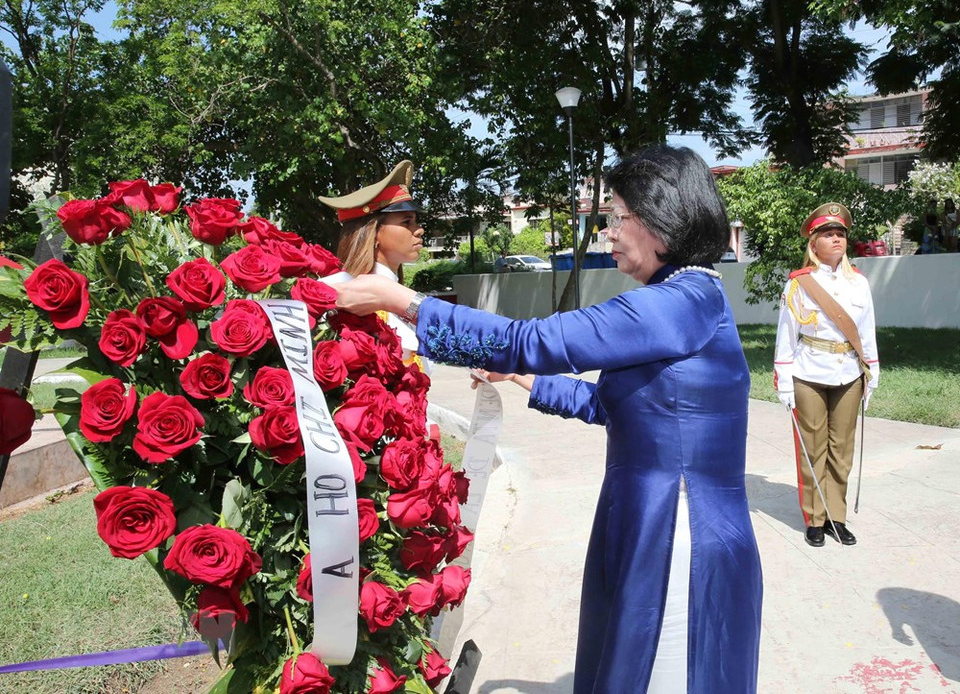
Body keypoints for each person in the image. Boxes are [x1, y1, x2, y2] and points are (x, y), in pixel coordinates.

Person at [336, 145, 763, 694]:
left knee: (664, 670)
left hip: (679, 529)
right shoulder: (679, 298)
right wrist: (517, 378)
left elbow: (534, 339)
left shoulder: (679, 301)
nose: (608, 232)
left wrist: (405, 303)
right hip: (646, 514)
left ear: (662, 221)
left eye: (616, 217)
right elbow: (608, 407)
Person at [774, 203, 880, 548]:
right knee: (813, 447)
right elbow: (787, 334)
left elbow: (866, 330)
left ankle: (837, 516)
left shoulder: (859, 284)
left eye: (841, 234)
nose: (836, 239)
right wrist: (784, 380)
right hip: (809, 371)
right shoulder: (799, 284)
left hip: (849, 371)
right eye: (828, 234)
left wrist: (872, 370)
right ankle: (815, 518)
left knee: (842, 448)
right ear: (813, 242)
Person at [318, 160, 427, 369]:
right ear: (373, 233)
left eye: (416, 221)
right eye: (406, 222)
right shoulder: (333, 292)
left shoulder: (404, 294)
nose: (419, 229)